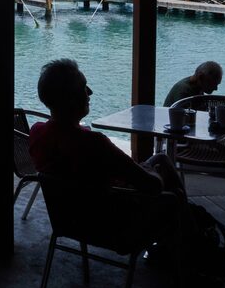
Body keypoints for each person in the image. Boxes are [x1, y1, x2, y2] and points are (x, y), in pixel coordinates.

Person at [29, 59, 182, 196]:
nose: (90, 92)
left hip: (70, 217)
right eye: (83, 87)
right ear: (70, 99)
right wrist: (150, 172)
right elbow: (153, 185)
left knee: (161, 158)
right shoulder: (94, 143)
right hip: (117, 217)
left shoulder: (37, 133)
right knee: (173, 189)